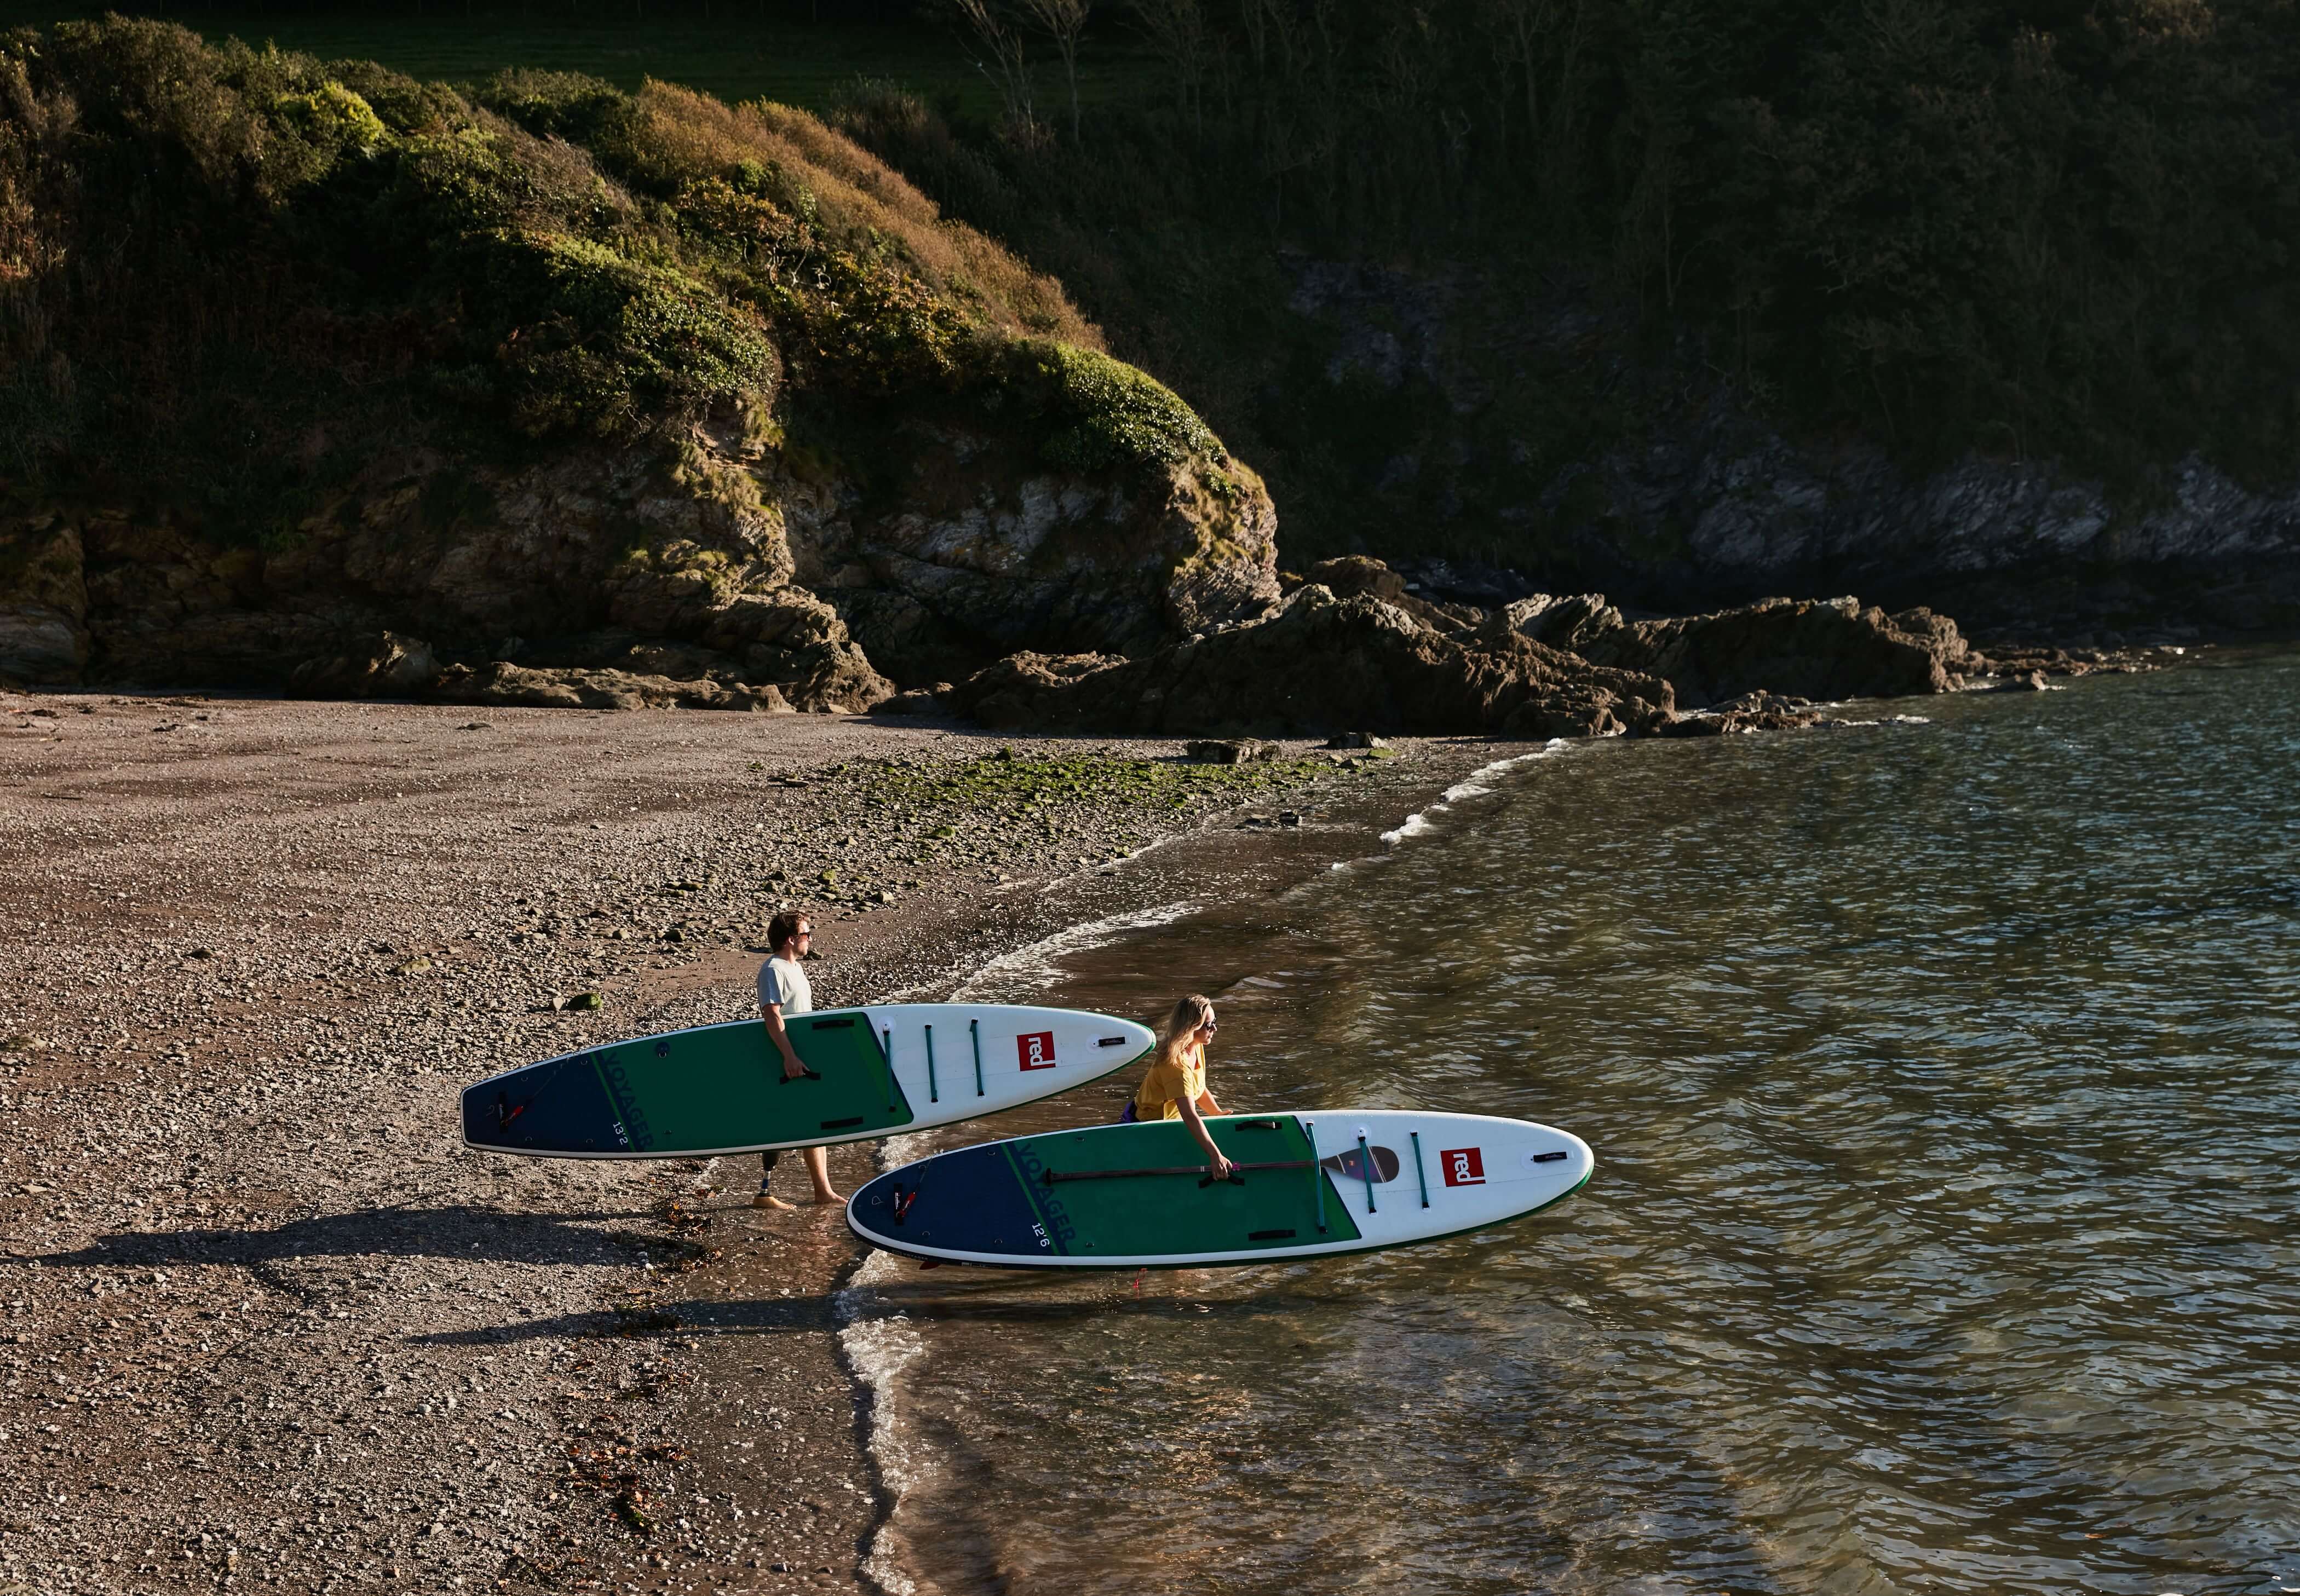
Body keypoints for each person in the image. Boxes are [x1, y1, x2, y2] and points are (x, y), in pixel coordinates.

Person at [755, 911, 842, 1210]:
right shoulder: (773, 970)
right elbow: (772, 1014)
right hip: (784, 1059)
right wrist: (789, 1056)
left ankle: (821, 1191)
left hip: (800, 1058)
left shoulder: (795, 968)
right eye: (807, 934)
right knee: (789, 1122)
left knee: (811, 1122)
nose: (810, 939)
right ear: (792, 939)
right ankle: (768, 1193)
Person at [1129, 994, 1232, 1181]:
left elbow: (1198, 1088)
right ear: (1191, 1028)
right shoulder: (1176, 1064)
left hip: (1174, 1122)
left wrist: (1217, 1115)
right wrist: (1215, 1156)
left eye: (1215, 1021)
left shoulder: (1197, 1045)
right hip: (1148, 1126)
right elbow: (1190, 1115)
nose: (1215, 1028)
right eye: (1209, 1025)